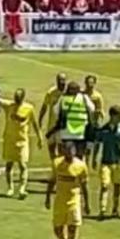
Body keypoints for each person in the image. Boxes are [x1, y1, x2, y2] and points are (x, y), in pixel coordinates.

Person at [47, 81, 95, 213]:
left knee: (78, 160)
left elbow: (91, 110)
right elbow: (91, 110)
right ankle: (66, 182)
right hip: (69, 133)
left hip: (78, 133)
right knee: (66, 160)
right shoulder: (69, 98)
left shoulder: (76, 98)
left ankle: (77, 182)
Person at [45, 141, 89, 239]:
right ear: (63, 152)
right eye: (67, 151)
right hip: (60, 201)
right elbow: (52, 181)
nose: (69, 154)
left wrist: (86, 203)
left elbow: (84, 185)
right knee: (58, 230)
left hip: (74, 201)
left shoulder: (81, 166)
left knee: (72, 228)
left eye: (72, 151)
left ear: (74, 151)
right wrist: (47, 197)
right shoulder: (57, 164)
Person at [0, 88, 43, 198]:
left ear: (22, 98)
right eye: (15, 98)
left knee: (23, 165)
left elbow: (35, 124)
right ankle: (10, 188)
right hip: (9, 139)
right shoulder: (9, 106)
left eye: (18, 98)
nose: (16, 100)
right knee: (9, 165)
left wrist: (40, 137)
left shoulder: (29, 108)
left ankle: (22, 188)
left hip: (22, 140)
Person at [93, 105, 120, 218]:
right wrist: (94, 158)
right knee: (104, 185)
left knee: (117, 186)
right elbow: (97, 144)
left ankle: (115, 209)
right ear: (113, 116)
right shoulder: (104, 130)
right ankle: (102, 208)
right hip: (106, 162)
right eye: (119, 115)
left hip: (119, 162)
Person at [38, 73, 68, 159]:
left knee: (61, 149)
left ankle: (60, 168)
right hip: (52, 124)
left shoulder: (68, 92)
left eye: (63, 80)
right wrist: (40, 119)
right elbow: (44, 106)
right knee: (51, 147)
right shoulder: (51, 92)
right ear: (57, 81)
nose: (62, 83)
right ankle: (54, 166)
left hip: (62, 126)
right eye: (60, 81)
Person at [83, 75, 105, 167]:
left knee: (97, 142)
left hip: (95, 123)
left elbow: (100, 109)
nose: (90, 85)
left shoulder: (97, 96)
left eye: (92, 83)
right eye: (88, 83)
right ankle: (87, 161)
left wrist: (99, 113)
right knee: (88, 144)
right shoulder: (82, 95)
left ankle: (94, 158)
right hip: (86, 123)